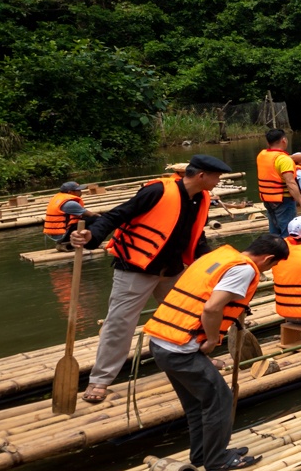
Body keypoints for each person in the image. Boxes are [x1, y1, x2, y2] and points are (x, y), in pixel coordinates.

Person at [72, 155, 231, 405]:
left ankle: (196, 359)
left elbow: (196, 237)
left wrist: (219, 266)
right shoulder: (158, 190)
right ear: (202, 176)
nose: (218, 181)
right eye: (217, 177)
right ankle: (100, 379)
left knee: (189, 315)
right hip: (136, 268)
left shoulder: (201, 198)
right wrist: (92, 236)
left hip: (172, 269)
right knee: (119, 323)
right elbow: (117, 216)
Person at [140, 233, 289, 471]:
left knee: (198, 404)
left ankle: (203, 454)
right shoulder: (244, 270)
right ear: (269, 258)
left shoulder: (220, 256)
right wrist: (211, 339)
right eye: (273, 265)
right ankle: (218, 461)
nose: (269, 271)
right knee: (220, 401)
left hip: (161, 340)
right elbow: (211, 307)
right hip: (181, 348)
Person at [257, 129, 301, 235]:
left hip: (268, 199)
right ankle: (287, 251)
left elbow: (289, 158)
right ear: (284, 140)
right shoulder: (284, 160)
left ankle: (275, 250)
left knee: (274, 232)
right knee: (288, 232)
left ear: (268, 143)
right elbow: (290, 183)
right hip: (283, 200)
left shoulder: (262, 155)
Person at [42, 181, 88, 249]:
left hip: (57, 236)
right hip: (63, 236)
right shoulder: (70, 203)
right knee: (92, 219)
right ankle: (89, 242)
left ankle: (66, 242)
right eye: (78, 190)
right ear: (70, 192)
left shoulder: (57, 198)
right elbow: (91, 214)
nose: (81, 192)